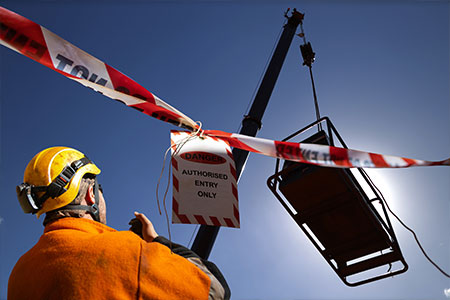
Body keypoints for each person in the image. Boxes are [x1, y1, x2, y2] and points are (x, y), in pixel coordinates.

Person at [8, 146, 230, 300]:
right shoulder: (126, 251)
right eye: (99, 189)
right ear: (90, 197)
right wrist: (156, 240)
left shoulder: (18, 275)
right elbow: (214, 290)